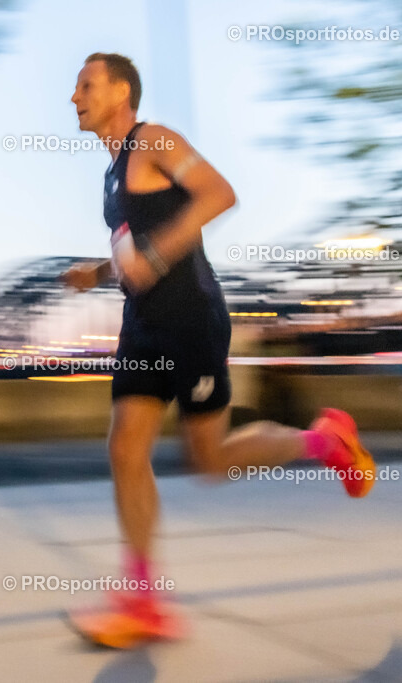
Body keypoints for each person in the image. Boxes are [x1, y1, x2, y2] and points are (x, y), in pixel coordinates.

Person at [62, 52, 376, 649]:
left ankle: (323, 439)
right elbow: (136, 253)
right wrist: (99, 272)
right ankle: (143, 603)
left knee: (209, 463)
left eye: (85, 85)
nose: (73, 97)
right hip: (143, 325)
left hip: (191, 321)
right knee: (125, 446)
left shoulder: (154, 140)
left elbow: (218, 193)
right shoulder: (111, 172)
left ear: (122, 91)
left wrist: (153, 258)